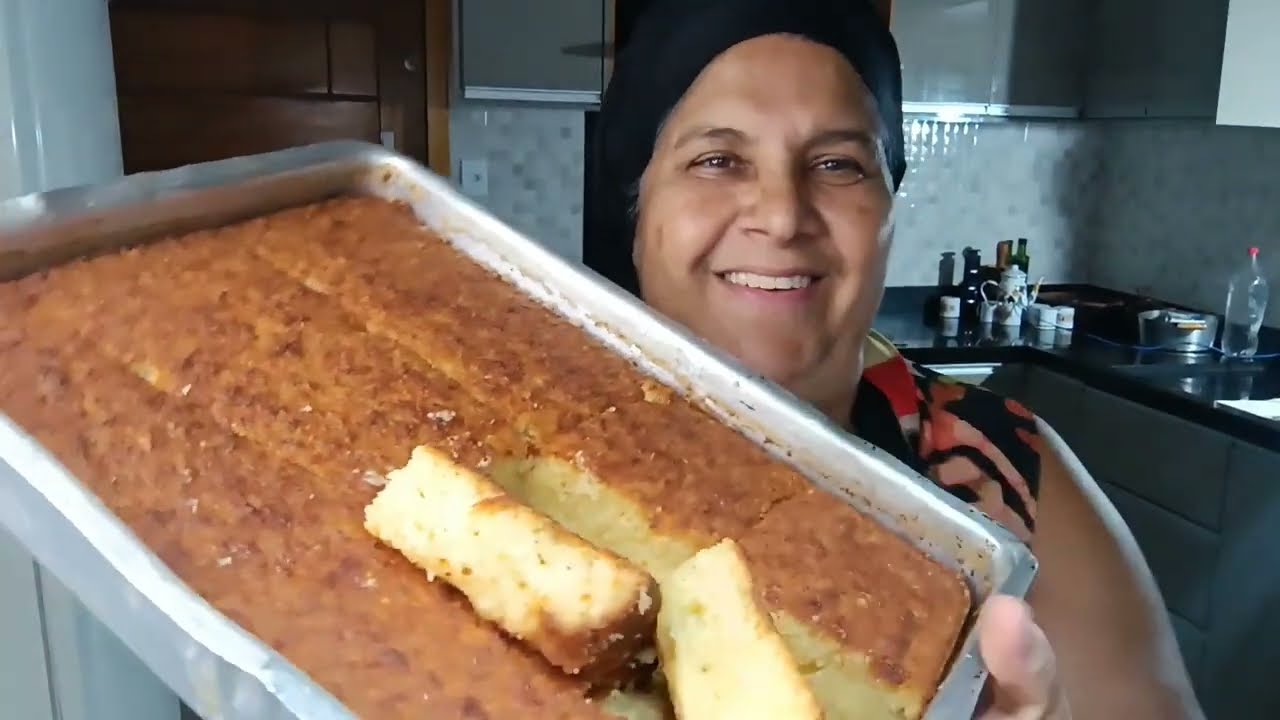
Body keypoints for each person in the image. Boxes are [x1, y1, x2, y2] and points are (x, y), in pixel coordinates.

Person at [587, 1, 1205, 718]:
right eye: (717, 160)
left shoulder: (1009, 471)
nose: (782, 216)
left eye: (837, 164)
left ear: (887, 207)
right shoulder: (519, 435)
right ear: (636, 205)